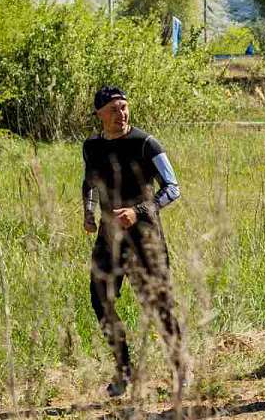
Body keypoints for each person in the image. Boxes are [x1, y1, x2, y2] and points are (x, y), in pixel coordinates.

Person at [82, 87, 187, 399]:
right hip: (108, 237)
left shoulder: (146, 143)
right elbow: (88, 184)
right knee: (100, 300)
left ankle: (181, 371)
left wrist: (138, 211)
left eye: (124, 107)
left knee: (159, 305)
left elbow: (172, 188)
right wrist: (88, 214)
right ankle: (123, 370)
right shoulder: (91, 146)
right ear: (100, 114)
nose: (121, 113)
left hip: (145, 238)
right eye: (113, 109)